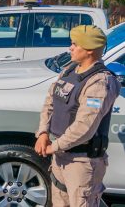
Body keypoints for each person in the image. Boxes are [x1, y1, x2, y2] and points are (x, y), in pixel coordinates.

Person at [34, 25, 121, 207]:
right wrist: (42, 133)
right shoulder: (70, 70)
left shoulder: (100, 82)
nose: (70, 48)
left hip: (82, 162)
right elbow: (51, 101)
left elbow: (84, 127)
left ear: (89, 50)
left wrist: (54, 146)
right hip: (60, 157)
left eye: (75, 44)